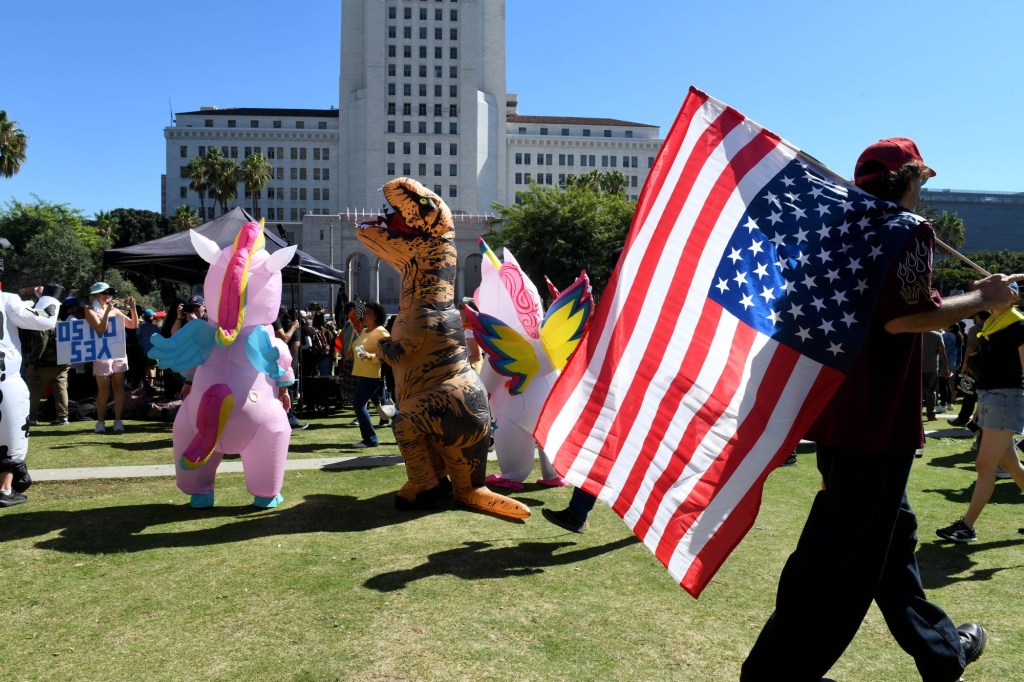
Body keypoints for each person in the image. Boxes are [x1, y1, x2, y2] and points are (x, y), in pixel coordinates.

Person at [741, 138, 1008, 681]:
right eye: (921, 180)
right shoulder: (908, 230)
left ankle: (942, 652)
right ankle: (774, 674)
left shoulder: (837, 232)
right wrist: (986, 299)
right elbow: (906, 318)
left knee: (892, 540)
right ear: (908, 180)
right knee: (837, 556)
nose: (922, 191)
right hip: (878, 423)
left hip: (839, 416)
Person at [936, 298, 1024, 542]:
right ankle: (966, 527)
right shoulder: (993, 324)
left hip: (1005, 399)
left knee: (985, 466)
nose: (987, 295)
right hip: (991, 399)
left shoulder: (1018, 325)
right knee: (1011, 466)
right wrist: (979, 407)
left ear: (1011, 297)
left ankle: (967, 526)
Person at [0, 269, 57, 507]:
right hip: (5, 378)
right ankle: (4, 488)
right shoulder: (7, 300)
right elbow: (45, 319)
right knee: (11, 435)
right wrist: (50, 296)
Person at [83, 282, 139, 434]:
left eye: (109, 293)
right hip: (101, 353)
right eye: (104, 293)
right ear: (95, 295)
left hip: (118, 352)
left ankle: (118, 421)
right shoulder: (89, 310)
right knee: (104, 390)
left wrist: (133, 308)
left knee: (119, 388)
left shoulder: (115, 310)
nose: (107, 295)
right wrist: (107, 312)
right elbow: (100, 329)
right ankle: (100, 422)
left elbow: (133, 325)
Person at [26, 286, 71, 426]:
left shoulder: (42, 319)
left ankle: (31, 417)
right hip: (63, 359)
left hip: (45, 361)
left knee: (35, 390)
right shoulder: (60, 315)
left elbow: (41, 342)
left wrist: (32, 362)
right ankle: (63, 417)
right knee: (60, 388)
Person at [348, 301, 390, 448]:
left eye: (368, 313)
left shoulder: (382, 332)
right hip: (363, 374)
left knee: (359, 404)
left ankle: (370, 439)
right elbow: (360, 347)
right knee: (384, 408)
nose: (364, 315)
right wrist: (352, 352)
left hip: (372, 375)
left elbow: (387, 354)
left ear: (376, 316)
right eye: (364, 313)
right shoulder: (365, 331)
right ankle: (406, 426)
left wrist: (371, 356)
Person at [921, 328, 948, 420]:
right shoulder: (937, 335)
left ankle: (917, 414)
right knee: (931, 392)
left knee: (919, 392)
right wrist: (946, 368)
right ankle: (931, 415)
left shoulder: (916, 334)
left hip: (918, 368)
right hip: (932, 367)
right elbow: (942, 352)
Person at [136, 309, 160, 388]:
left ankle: (144, 386)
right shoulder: (155, 327)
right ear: (151, 317)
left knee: (145, 369)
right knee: (151, 368)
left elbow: (137, 336)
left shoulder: (141, 327)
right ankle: (151, 385)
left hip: (143, 351)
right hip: (153, 352)